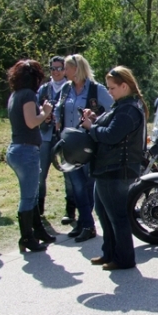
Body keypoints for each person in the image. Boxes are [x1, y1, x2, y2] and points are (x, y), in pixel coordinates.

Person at [80, 66, 148, 270]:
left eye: (112, 88)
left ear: (124, 86)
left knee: (117, 216)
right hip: (108, 169)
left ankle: (124, 259)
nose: (109, 92)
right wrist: (95, 120)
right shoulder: (123, 106)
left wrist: (91, 128)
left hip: (116, 171)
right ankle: (110, 253)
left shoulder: (128, 110)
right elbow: (111, 127)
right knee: (103, 213)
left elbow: (111, 135)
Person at [54, 54, 113, 242]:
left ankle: (85, 223)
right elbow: (58, 108)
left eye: (67, 68)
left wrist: (95, 120)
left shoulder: (96, 89)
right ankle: (86, 223)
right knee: (77, 185)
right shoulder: (66, 88)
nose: (64, 71)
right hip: (69, 143)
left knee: (87, 185)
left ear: (77, 68)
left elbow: (113, 110)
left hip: (88, 143)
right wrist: (55, 117)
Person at [6, 59, 55, 252]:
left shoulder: (15, 94)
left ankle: (38, 231)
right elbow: (31, 122)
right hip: (26, 151)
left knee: (32, 193)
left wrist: (41, 112)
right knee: (28, 196)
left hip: (17, 149)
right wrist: (45, 112)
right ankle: (26, 237)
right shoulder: (27, 94)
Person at [37, 56, 75, 223]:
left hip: (64, 136)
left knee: (68, 175)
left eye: (59, 68)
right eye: (52, 69)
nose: (56, 72)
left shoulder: (70, 88)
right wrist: (43, 115)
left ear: (65, 70)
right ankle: (38, 209)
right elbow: (35, 109)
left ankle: (70, 211)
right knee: (40, 174)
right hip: (45, 136)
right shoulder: (44, 89)